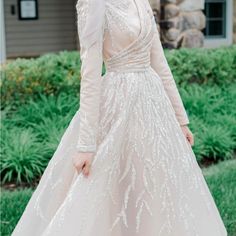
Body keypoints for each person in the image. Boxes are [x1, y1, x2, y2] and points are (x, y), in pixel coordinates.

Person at [12, 0, 227, 235]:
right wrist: (86, 144)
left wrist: (180, 118)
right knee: (113, 186)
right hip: (117, 106)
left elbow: (159, 62)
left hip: (153, 107)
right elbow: (90, 75)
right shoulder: (93, 3)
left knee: (153, 186)